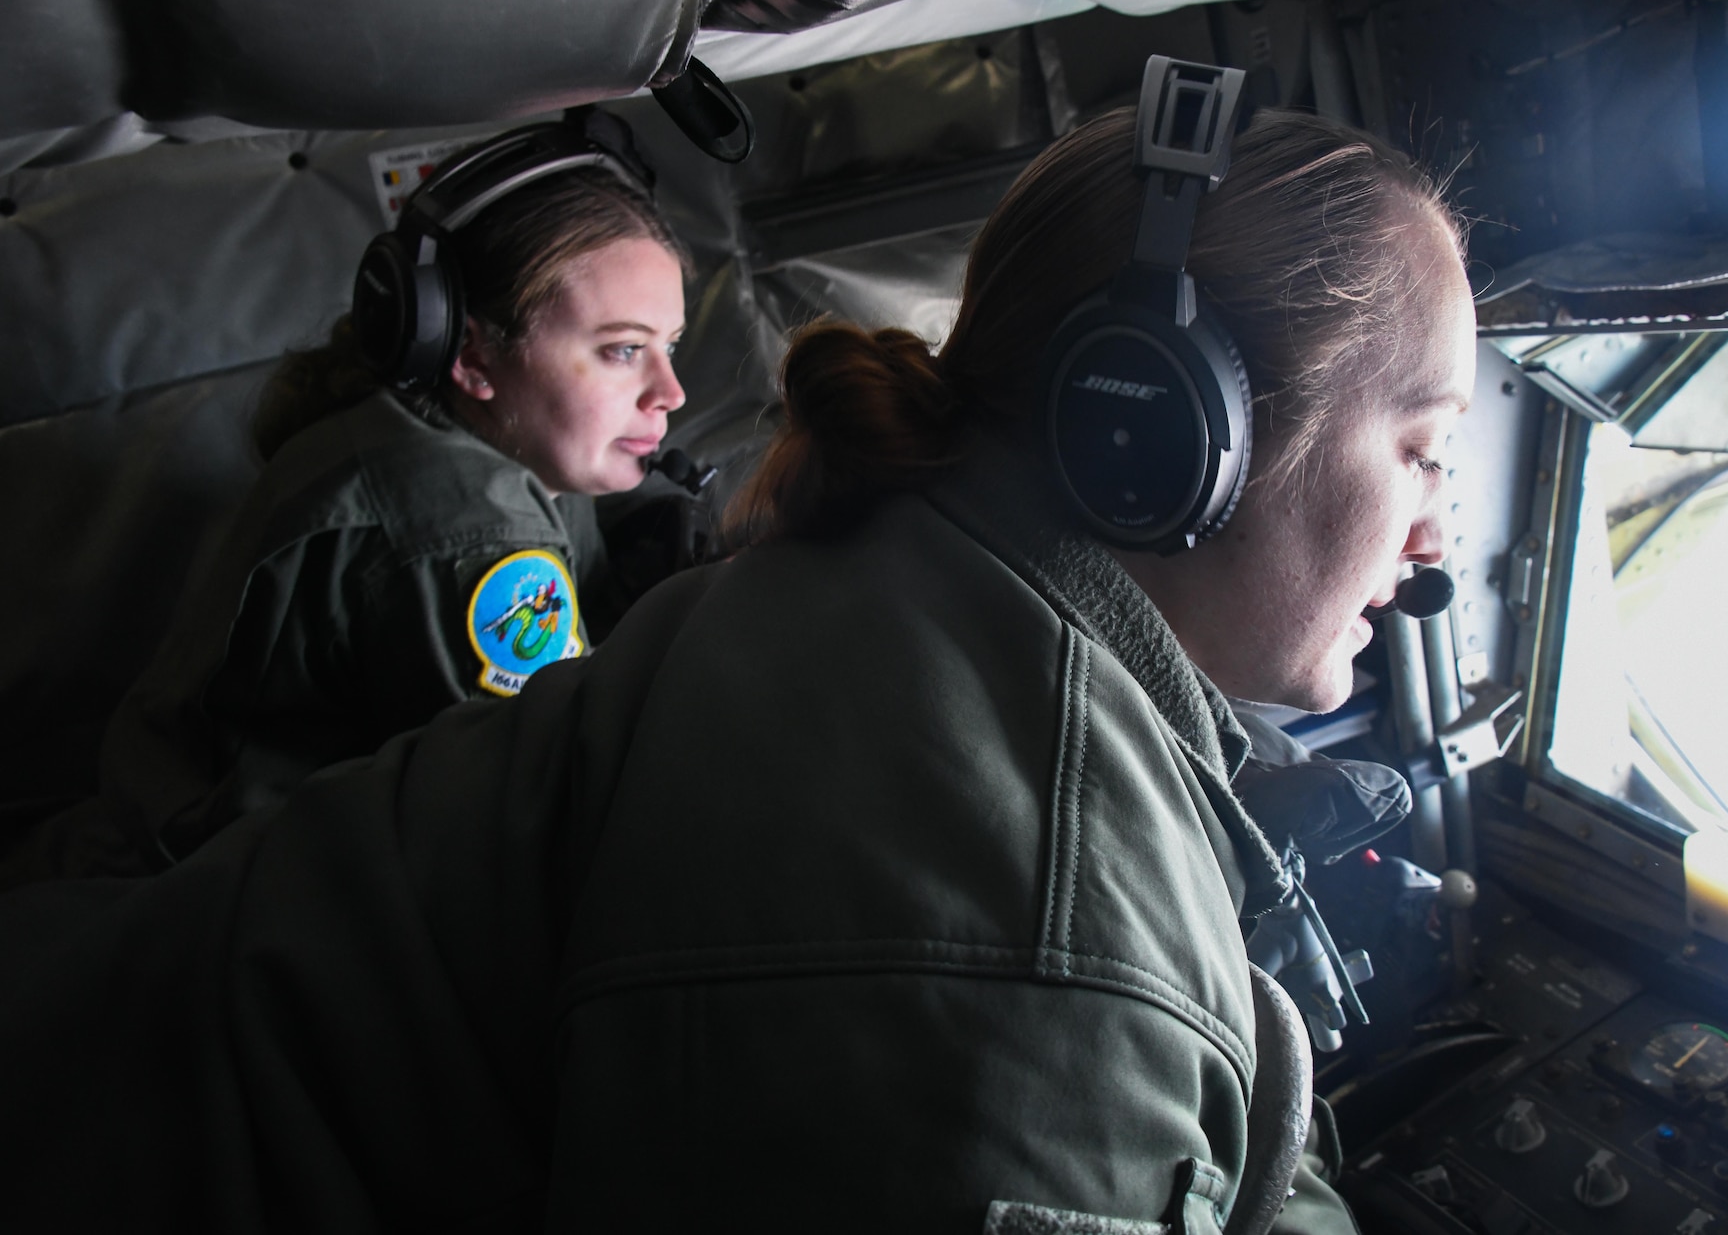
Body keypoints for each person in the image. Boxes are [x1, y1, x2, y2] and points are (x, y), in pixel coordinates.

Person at [0, 67, 1473, 1233]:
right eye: (1424, 451)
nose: (1437, 539)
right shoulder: (1027, 919)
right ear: (1162, 427)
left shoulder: (873, 581)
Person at [0, 118, 691, 888]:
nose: (671, 392)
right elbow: (557, 800)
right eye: (623, 350)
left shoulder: (481, 435)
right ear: (470, 355)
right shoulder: (463, 519)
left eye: (671, 345)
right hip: (187, 914)